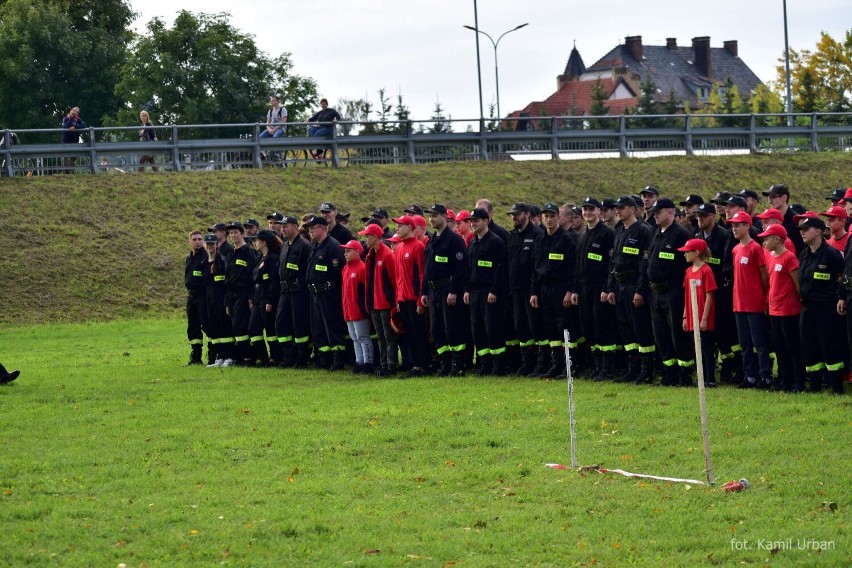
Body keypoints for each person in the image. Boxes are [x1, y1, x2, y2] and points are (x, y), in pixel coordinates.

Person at [606, 195, 655, 383]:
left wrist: (641, 290)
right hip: (620, 286)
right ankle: (632, 367)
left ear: (633, 209)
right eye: (617, 208)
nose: (618, 211)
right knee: (626, 328)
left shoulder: (643, 231)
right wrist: (611, 288)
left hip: (635, 285)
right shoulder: (619, 232)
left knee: (640, 328)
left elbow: (645, 264)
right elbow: (614, 261)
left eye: (622, 207)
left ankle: (646, 370)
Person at [646, 198, 694, 386]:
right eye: (655, 212)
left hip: (673, 291)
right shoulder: (656, 233)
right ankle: (669, 372)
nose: (655, 215)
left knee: (677, 334)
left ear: (671, 212)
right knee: (661, 334)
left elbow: (687, 266)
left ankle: (684, 374)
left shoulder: (681, 235)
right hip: (656, 292)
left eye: (659, 212)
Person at [797, 215, 846, 394]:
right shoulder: (804, 254)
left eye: (806, 229)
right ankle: (815, 384)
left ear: (818, 231)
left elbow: (842, 279)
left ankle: (836, 385)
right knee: (809, 345)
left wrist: (841, 298)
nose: (802, 232)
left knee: (829, 344)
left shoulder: (832, 254)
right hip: (807, 307)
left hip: (826, 307)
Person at [529, 203, 576, 378]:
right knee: (550, 328)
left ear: (558, 217)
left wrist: (570, 291)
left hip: (561, 288)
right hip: (544, 288)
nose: (549, 220)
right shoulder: (540, 240)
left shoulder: (567, 239)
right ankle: (556, 365)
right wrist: (534, 292)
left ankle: (569, 366)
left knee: (564, 326)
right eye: (545, 216)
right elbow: (535, 268)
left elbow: (573, 268)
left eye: (552, 216)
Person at [572, 197, 617, 380]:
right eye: (585, 210)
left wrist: (607, 288)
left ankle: (607, 367)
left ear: (599, 211)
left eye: (591, 209)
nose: (588, 213)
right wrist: (575, 290)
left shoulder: (607, 234)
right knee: (588, 326)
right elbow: (577, 266)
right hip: (583, 288)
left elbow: (610, 264)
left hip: (599, 287)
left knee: (602, 326)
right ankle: (596, 366)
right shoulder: (582, 236)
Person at [421, 204, 468, 376]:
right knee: (436, 329)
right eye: (430, 216)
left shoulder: (454, 240)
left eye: (434, 216)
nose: (431, 219)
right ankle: (445, 362)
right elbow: (427, 268)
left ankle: (458, 364)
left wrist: (454, 291)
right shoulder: (433, 239)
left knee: (452, 328)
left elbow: (460, 269)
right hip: (433, 291)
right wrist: (424, 291)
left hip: (448, 289)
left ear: (444, 217)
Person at [759, 224, 806, 392]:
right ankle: (785, 381)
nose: (764, 242)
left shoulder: (789, 258)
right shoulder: (771, 257)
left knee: (792, 347)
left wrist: (798, 301)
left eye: (767, 238)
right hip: (774, 309)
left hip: (788, 309)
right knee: (779, 347)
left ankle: (798, 381)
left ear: (777, 239)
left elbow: (797, 284)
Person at [729, 211, 772, 389]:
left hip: (753, 303)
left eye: (738, 225)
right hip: (739, 303)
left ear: (747, 226)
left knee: (760, 343)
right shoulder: (736, 249)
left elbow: (764, 275)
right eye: (733, 225)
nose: (734, 228)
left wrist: (762, 297)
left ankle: (765, 375)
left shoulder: (755, 248)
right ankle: (750, 376)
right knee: (744, 343)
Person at [464, 208, 509, 375]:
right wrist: (467, 290)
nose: (473, 224)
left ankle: (499, 365)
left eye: (476, 220)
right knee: (478, 329)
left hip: (489, 293)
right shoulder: (472, 243)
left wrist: (495, 290)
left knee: (493, 328)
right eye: (471, 221)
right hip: (475, 293)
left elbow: (501, 269)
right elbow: (468, 270)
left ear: (486, 221)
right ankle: (485, 363)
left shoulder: (496, 242)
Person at [304, 215, 348, 370]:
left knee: (332, 327)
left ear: (322, 228)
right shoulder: (316, 246)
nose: (309, 231)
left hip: (329, 293)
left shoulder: (332, 246)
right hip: (315, 294)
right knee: (319, 328)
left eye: (312, 228)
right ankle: (325, 358)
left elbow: (338, 273)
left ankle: (338, 359)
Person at [506, 203, 543, 375]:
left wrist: (535, 290)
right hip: (515, 290)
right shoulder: (512, 236)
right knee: (520, 326)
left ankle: (541, 363)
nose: (514, 218)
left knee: (535, 326)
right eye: (512, 215)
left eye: (517, 214)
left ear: (527, 215)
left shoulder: (537, 235)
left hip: (531, 289)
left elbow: (537, 266)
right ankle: (526, 363)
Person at [391, 215, 430, 376]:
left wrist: (421, 299)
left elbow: (422, 275)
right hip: (403, 299)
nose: (397, 228)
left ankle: (424, 365)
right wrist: (398, 299)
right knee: (409, 333)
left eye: (400, 225)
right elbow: (399, 276)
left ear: (409, 227)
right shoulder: (399, 247)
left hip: (414, 299)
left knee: (419, 333)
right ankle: (415, 365)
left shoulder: (418, 247)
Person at [359, 223, 398, 376]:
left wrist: (394, 302)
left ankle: (391, 365)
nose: (365, 239)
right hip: (374, 303)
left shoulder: (387, 255)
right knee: (381, 336)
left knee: (389, 336)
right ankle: (384, 365)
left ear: (375, 237)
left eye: (367, 236)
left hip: (385, 303)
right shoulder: (371, 254)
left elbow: (394, 280)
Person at [679, 238, 717, 387]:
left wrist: (704, 318)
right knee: (697, 348)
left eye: (687, 252)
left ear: (697, 252)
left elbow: (709, 295)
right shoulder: (688, 271)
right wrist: (685, 316)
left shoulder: (706, 270)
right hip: (691, 315)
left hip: (703, 316)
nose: (685, 255)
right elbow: (687, 294)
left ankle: (710, 378)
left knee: (707, 348)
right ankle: (701, 377)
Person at [276, 216, 313, 368]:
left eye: (286, 226)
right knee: (281, 323)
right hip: (285, 290)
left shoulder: (305, 246)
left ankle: (302, 357)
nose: (282, 229)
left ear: (295, 227)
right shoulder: (284, 246)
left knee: (300, 325)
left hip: (299, 291)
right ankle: (288, 356)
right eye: (282, 227)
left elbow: (308, 270)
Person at [248, 230, 283, 366]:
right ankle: (263, 357)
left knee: (270, 330)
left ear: (264, 242)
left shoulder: (272, 259)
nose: (254, 243)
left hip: (267, 300)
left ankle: (275, 357)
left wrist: (270, 300)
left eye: (256, 240)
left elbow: (274, 282)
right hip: (258, 299)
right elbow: (255, 280)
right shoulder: (259, 258)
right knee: (253, 329)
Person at [224, 221, 257, 366]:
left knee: (240, 325)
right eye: (231, 233)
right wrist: (226, 301)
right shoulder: (230, 253)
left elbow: (253, 276)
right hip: (231, 295)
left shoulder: (249, 252)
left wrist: (251, 297)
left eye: (236, 232)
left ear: (242, 233)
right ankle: (241, 356)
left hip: (244, 294)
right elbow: (227, 277)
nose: (233, 235)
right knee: (234, 325)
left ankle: (249, 357)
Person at [340, 239, 374, 373]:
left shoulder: (362, 267)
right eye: (345, 251)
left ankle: (368, 362)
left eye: (348, 251)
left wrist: (364, 308)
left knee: (363, 337)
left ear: (357, 252)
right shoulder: (345, 268)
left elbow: (365, 291)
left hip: (359, 310)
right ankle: (359, 361)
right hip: (348, 310)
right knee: (355, 338)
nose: (345, 254)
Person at [203, 234, 234, 367]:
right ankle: (219, 357)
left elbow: (226, 284)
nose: (210, 246)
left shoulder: (222, 261)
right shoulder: (204, 263)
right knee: (213, 328)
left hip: (221, 298)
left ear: (216, 245)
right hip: (209, 299)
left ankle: (229, 356)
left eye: (212, 244)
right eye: (208, 244)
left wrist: (227, 302)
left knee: (224, 328)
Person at [184, 230, 209, 365]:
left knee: (207, 324)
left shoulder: (206, 257)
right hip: (192, 296)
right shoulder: (189, 258)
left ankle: (213, 354)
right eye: (194, 239)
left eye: (200, 239)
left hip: (203, 296)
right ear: (190, 242)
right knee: (192, 326)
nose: (197, 242)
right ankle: (196, 356)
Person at [61, 106, 86, 171]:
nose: (75, 113)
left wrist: (75, 127)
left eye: (77, 112)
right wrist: (71, 118)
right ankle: (66, 173)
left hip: (74, 141)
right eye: (74, 111)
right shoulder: (66, 118)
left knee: (73, 158)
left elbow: (83, 125)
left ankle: (72, 172)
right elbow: (65, 126)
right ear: (71, 110)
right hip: (66, 141)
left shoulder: (77, 119)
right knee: (66, 158)